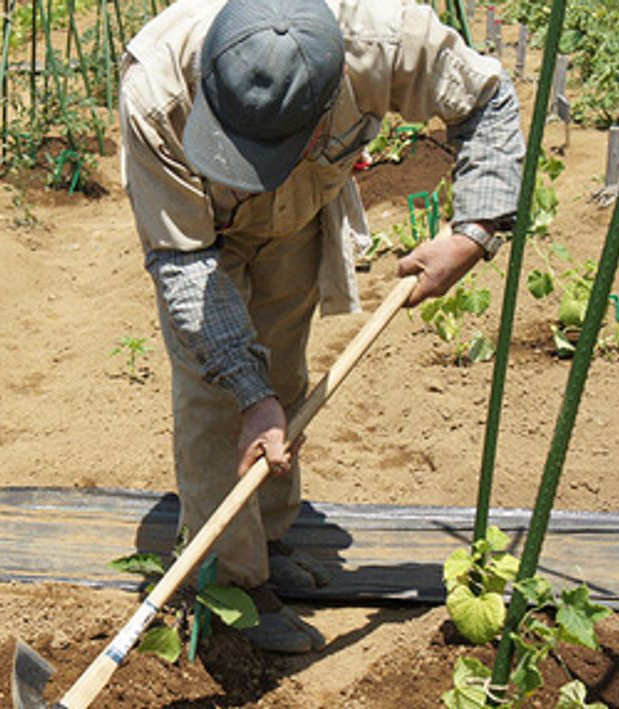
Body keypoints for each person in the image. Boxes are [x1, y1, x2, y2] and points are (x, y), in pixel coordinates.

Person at [120, 0, 523, 653]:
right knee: (219, 396)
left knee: (283, 374)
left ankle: (269, 542)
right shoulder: (157, 87)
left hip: (301, 213)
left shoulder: (386, 38)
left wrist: (473, 231)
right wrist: (248, 396)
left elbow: (490, 99)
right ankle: (230, 588)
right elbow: (184, 263)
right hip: (201, 241)